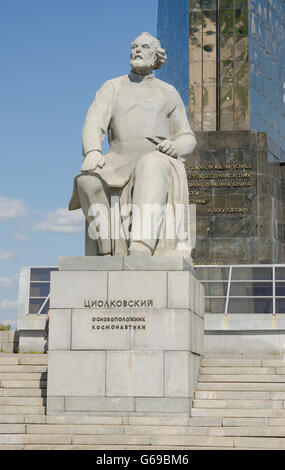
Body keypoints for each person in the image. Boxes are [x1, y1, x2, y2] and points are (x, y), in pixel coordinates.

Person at [69, 32, 197, 257]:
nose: (137, 50)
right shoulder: (113, 86)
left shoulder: (168, 92)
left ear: (156, 55)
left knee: (150, 165)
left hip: (157, 158)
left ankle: (141, 246)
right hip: (117, 159)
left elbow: (188, 137)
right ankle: (107, 249)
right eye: (134, 46)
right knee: (87, 180)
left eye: (144, 47)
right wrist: (92, 151)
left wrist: (176, 147)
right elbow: (93, 122)